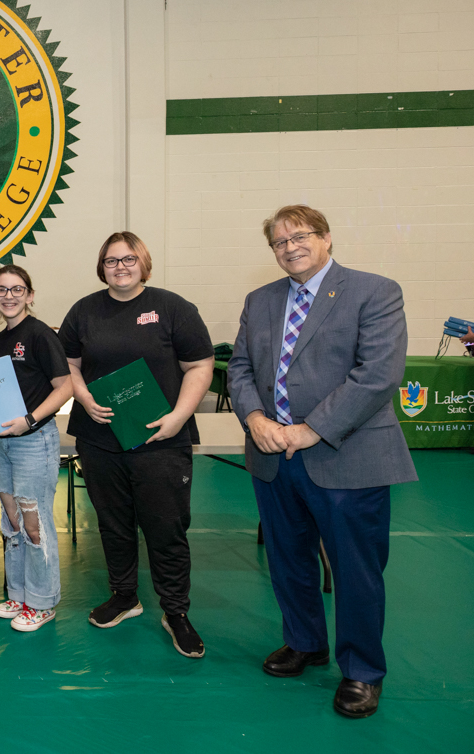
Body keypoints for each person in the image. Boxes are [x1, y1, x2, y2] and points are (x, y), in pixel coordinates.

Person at [227, 204, 417, 719]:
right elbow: (239, 368)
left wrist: (312, 429)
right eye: (279, 242)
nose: (290, 247)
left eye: (301, 236)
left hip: (346, 454)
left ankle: (361, 670)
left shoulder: (374, 291)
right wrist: (256, 421)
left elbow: (378, 374)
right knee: (289, 559)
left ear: (327, 238)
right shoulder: (260, 300)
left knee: (355, 569)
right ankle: (304, 642)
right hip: (272, 456)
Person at [58, 232, 214, 657]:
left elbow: (200, 364)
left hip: (161, 441)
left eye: (128, 259)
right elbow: (68, 363)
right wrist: (83, 396)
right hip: (100, 440)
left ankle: (176, 612)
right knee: (113, 524)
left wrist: (178, 417)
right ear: (101, 266)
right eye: (111, 261)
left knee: (166, 528)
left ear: (143, 262)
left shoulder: (172, 308)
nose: (120, 267)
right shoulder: (84, 311)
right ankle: (125, 596)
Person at [0, 265, 72, 632]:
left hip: (34, 442)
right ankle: (19, 594)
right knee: (11, 521)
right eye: (1, 290)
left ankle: (42, 602)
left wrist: (30, 420)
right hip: (4, 444)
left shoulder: (39, 334)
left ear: (30, 295)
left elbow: (65, 386)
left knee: (35, 524)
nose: (9, 296)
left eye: (17, 289)